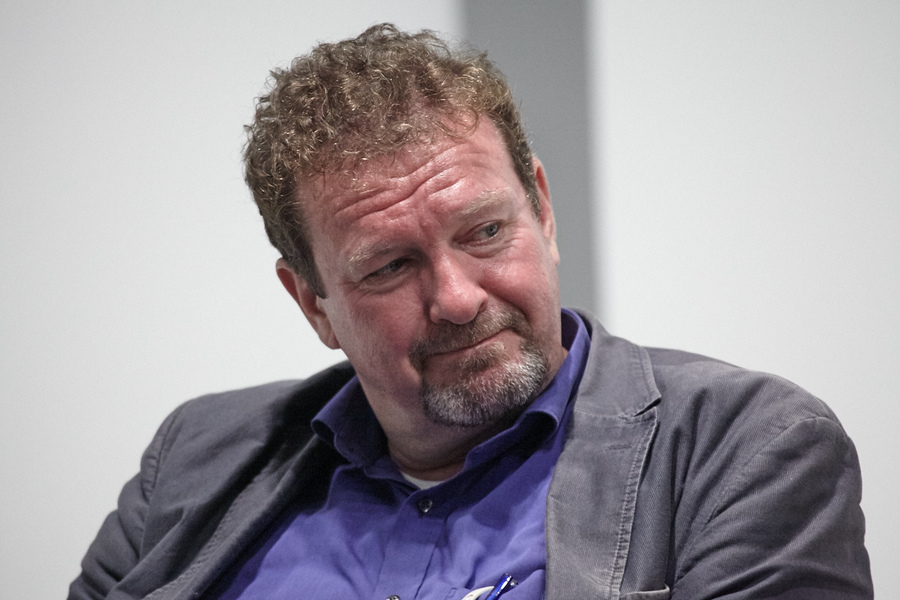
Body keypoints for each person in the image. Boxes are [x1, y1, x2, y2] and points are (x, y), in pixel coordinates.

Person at [68, 24, 872, 600]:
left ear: (542, 211)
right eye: (390, 266)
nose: (457, 298)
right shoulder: (195, 461)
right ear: (313, 302)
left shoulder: (741, 451)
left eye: (485, 232)